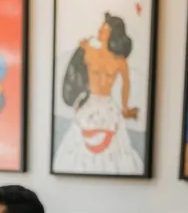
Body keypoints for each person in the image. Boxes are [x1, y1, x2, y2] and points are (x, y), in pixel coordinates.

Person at [54, 12, 143, 176]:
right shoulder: (88, 51)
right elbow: (75, 73)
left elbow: (126, 84)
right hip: (90, 102)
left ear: (112, 33)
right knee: (79, 143)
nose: (100, 30)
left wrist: (125, 107)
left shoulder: (119, 61)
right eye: (101, 27)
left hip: (108, 104)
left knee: (114, 147)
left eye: (104, 28)